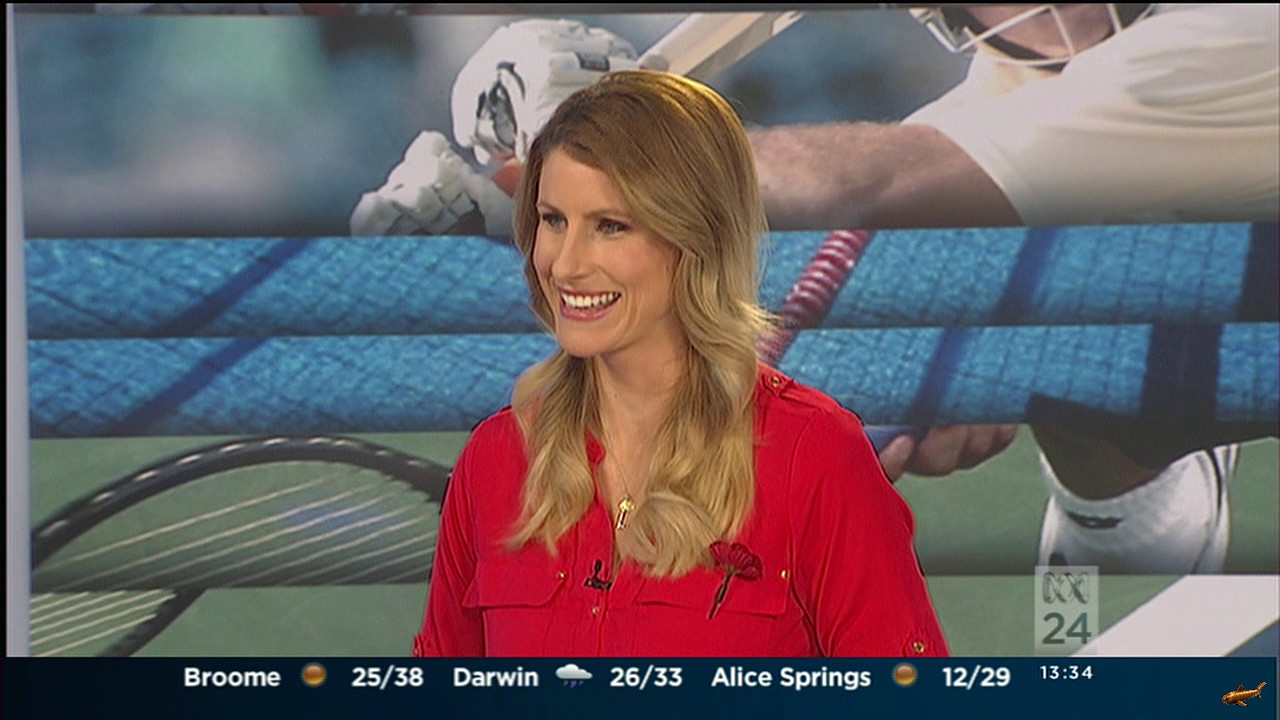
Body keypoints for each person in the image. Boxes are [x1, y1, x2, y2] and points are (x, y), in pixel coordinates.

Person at [362, 6, 1278, 574]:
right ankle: (1129, 508)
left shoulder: (1232, 32)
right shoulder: (1013, 91)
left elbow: (871, 185)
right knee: (988, 315)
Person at [411, 71, 949, 657]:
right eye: (553, 220)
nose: (565, 265)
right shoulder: (495, 461)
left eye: (610, 226)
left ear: (695, 240)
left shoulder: (813, 458)